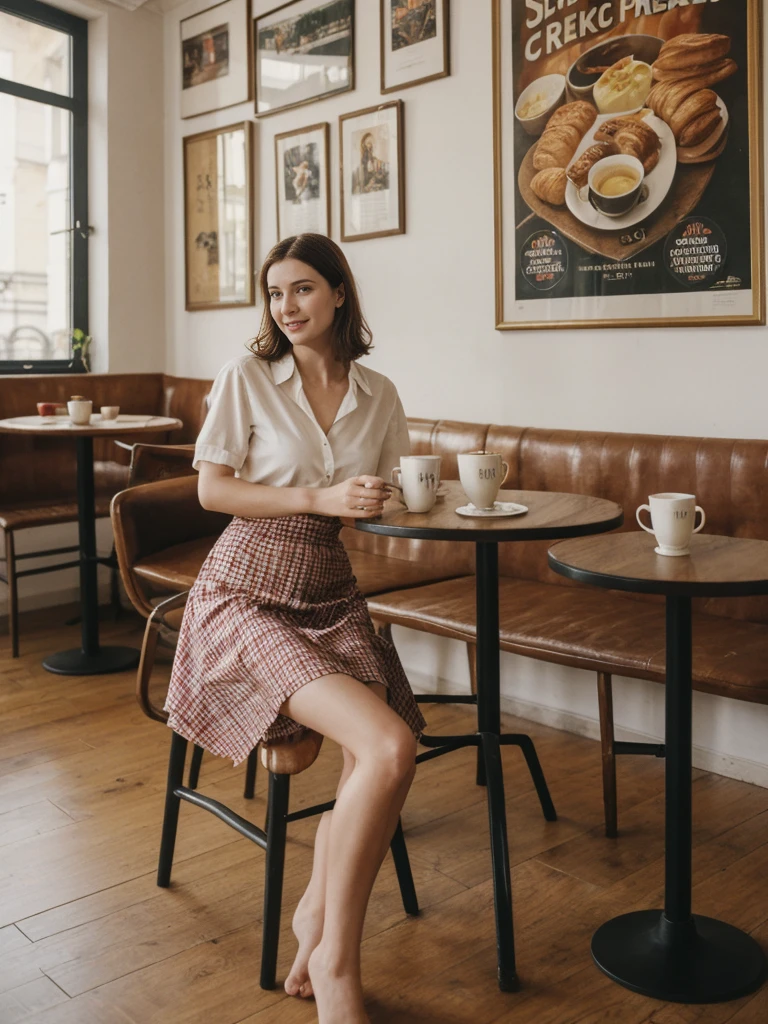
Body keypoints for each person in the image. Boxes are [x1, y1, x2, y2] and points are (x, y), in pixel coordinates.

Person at [164, 233, 426, 1024]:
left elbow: (395, 495)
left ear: (340, 293)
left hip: (331, 590)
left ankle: (315, 913)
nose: (288, 306)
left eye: (304, 289)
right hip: (244, 590)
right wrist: (321, 498)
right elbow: (212, 491)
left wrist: (398, 501)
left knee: (375, 750)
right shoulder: (248, 375)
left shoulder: (377, 393)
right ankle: (339, 966)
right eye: (277, 293)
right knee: (390, 745)